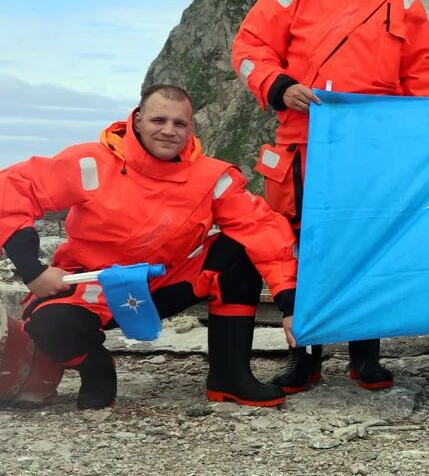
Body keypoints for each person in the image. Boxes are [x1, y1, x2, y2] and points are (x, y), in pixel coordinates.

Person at [232, 0, 429, 393]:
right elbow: (248, 50)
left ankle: (364, 355)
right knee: (305, 251)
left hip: (376, 151)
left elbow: (421, 71)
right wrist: (281, 86)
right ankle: (304, 356)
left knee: (370, 247)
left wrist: (421, 135)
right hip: (305, 143)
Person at [0, 86, 299, 409]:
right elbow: (15, 189)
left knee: (238, 249)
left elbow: (262, 228)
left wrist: (290, 305)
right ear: (138, 121)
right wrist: (33, 271)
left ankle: (229, 376)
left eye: (179, 124)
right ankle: (97, 369)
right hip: (90, 285)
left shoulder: (212, 177)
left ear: (191, 129)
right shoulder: (91, 162)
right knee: (47, 325)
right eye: (159, 120)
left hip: (161, 282)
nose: (168, 131)